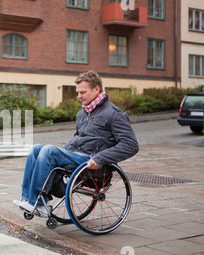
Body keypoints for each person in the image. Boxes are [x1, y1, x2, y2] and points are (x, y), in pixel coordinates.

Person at [13, 70, 139, 216]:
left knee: (48, 150)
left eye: (83, 92)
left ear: (96, 89)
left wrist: (100, 158)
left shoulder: (114, 114)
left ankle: (38, 204)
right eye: (78, 92)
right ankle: (27, 198)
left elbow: (131, 145)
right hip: (76, 156)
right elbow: (76, 140)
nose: (79, 96)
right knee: (36, 149)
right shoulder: (82, 113)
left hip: (93, 161)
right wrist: (62, 151)